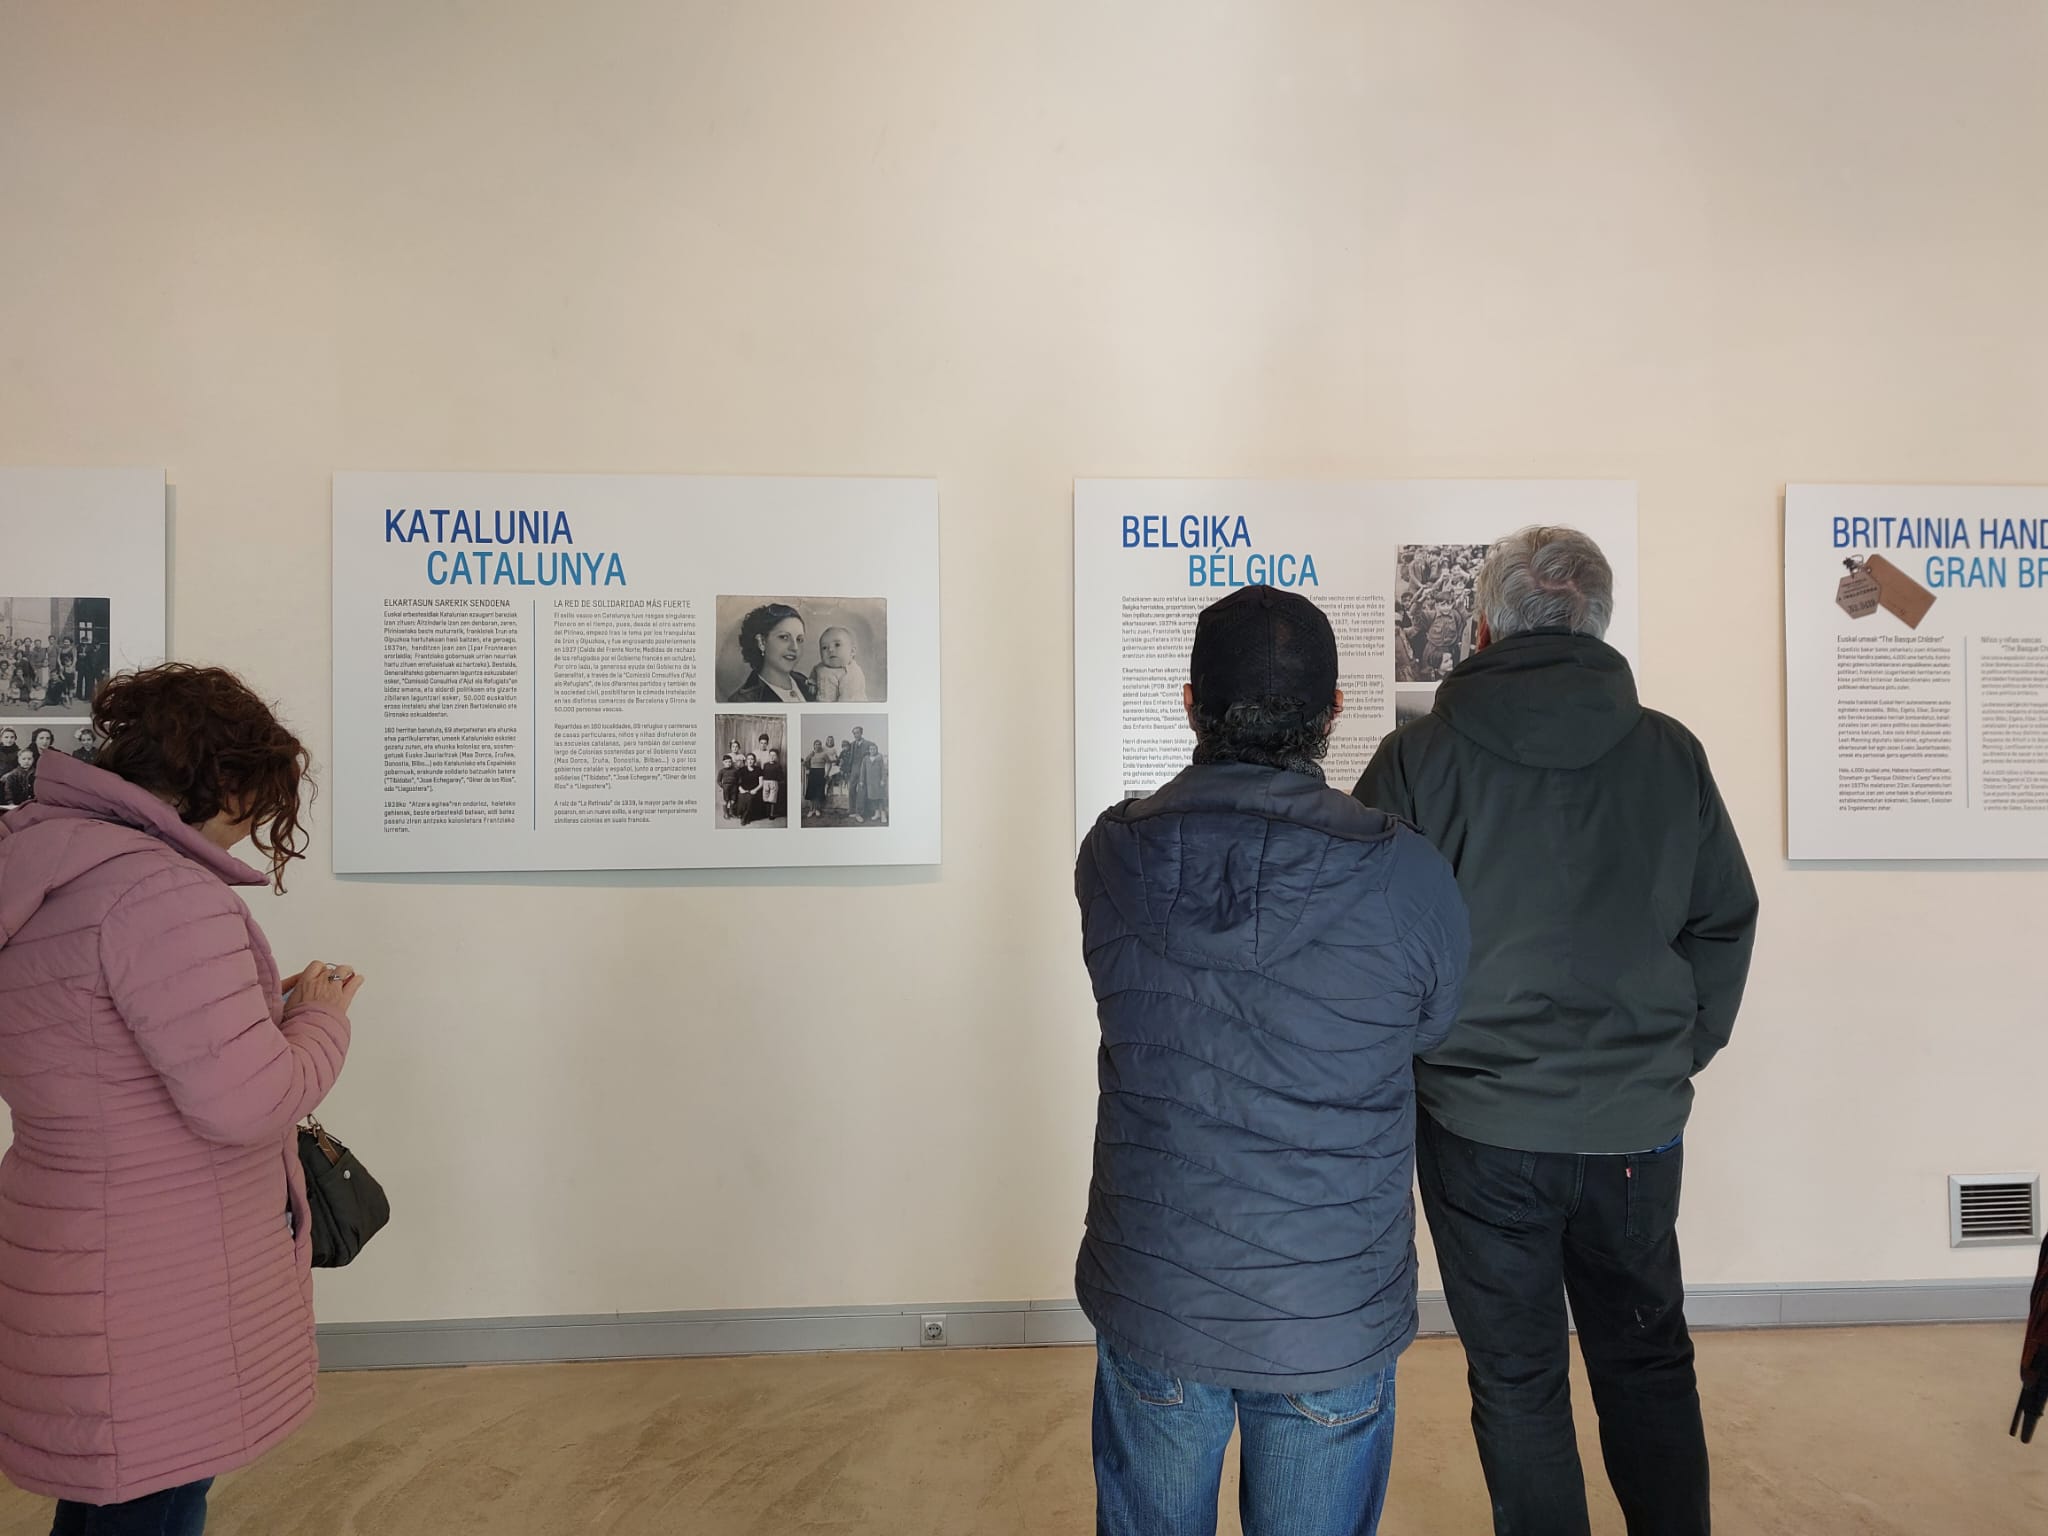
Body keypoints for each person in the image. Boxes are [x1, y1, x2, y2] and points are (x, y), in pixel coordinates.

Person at [1355, 527, 1759, 1536]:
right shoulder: (1669, 752)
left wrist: (1422, 1055)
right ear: (1597, 622)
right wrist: (1673, 1051)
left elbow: (1365, 937)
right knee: (1647, 1361)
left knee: (1517, 1377)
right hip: (1632, 1127)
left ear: (1481, 625)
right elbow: (1722, 919)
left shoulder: (1415, 759)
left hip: (1476, 1123)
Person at [1076, 585, 1470, 1536]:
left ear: (1189, 705)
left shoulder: (1111, 856)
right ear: (1334, 714)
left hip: (1160, 1281)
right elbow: (1434, 1024)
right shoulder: (1405, 872)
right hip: (1326, 1297)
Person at [0, 663, 362, 1534]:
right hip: (161, 1264)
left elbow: (99, 1042)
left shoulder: (46, 864)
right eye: (258, 799)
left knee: (107, 1492)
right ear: (225, 781)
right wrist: (319, 1018)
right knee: (155, 1495)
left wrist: (249, 1010)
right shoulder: (160, 890)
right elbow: (249, 1105)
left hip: (76, 1237)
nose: (252, 828)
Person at [727, 603, 815, 703]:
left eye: (799, 639)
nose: (795, 648)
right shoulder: (744, 700)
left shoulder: (805, 683)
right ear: (762, 642)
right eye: (784, 637)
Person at [812, 626, 869, 703]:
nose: (830, 650)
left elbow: (849, 698)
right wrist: (811, 684)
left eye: (837, 645)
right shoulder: (820, 667)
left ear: (852, 651)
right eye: (824, 647)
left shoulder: (851, 673)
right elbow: (813, 677)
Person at [839, 726, 883, 823]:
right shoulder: (852, 744)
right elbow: (845, 755)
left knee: (861, 791)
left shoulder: (869, 744)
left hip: (864, 770)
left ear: (861, 733)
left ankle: (860, 813)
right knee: (851, 789)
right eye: (854, 733)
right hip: (853, 770)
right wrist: (845, 769)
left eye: (857, 733)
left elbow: (876, 752)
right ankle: (852, 811)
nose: (856, 735)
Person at [736, 752, 764, 824]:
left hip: (755, 790)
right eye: (748, 759)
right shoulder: (742, 770)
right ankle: (742, 815)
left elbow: (761, 784)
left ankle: (745, 817)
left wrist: (755, 790)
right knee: (742, 797)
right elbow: (737, 782)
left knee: (750, 798)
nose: (750, 761)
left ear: (754, 761)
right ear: (746, 761)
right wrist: (741, 789)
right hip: (744, 790)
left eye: (752, 759)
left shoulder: (758, 769)